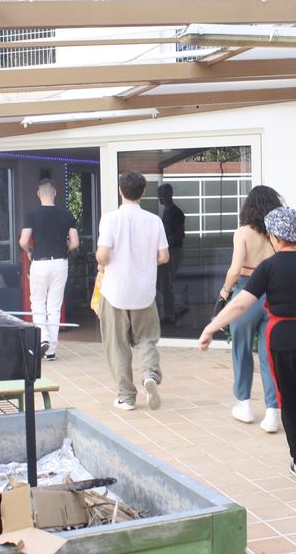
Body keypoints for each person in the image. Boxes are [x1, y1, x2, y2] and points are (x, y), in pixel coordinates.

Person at [199, 207, 296, 492]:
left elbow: (241, 303)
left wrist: (211, 327)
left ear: (275, 236)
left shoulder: (269, 267)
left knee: (290, 402)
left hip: (284, 339)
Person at [96, 171, 170, 411]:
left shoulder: (110, 219)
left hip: (115, 292)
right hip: (144, 292)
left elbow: (103, 256)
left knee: (117, 345)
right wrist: (144, 262)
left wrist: (104, 263)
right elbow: (164, 256)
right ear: (143, 192)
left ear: (120, 190)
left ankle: (127, 397)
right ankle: (149, 375)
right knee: (147, 339)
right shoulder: (154, 221)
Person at [218, 185, 283, 433]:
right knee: (269, 356)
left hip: (246, 292)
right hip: (274, 296)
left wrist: (225, 292)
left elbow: (235, 269)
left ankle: (244, 405)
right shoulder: (277, 234)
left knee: (241, 350)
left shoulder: (242, 232)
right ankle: (272, 413)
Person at [19, 178, 79, 361]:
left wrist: (29, 251)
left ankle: (43, 337)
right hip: (60, 263)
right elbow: (75, 243)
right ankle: (51, 350)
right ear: (55, 193)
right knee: (54, 305)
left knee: (37, 302)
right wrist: (63, 249)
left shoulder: (31, 215)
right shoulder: (67, 215)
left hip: (40, 262)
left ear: (39, 194)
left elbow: (23, 241)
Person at [157, 183, 186, 324]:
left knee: (166, 283)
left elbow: (180, 235)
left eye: (161, 195)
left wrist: (166, 241)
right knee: (163, 283)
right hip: (168, 251)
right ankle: (175, 309)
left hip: (173, 251)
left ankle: (173, 313)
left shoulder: (176, 213)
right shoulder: (167, 212)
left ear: (168, 195)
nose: (160, 198)